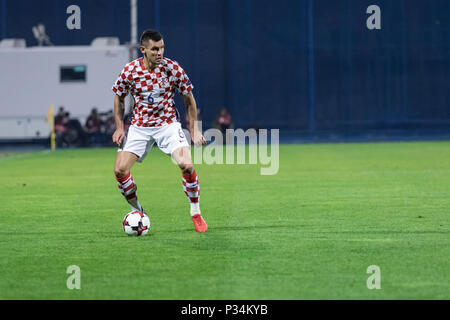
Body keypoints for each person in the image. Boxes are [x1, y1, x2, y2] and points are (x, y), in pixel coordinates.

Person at [111, 29, 208, 233]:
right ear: (143, 50)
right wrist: (120, 127)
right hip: (140, 126)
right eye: (155, 49)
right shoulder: (130, 71)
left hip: (168, 125)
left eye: (162, 47)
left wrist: (195, 130)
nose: (159, 52)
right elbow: (119, 97)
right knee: (120, 170)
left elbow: (189, 100)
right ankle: (138, 211)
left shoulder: (172, 69)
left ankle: (196, 212)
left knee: (187, 165)